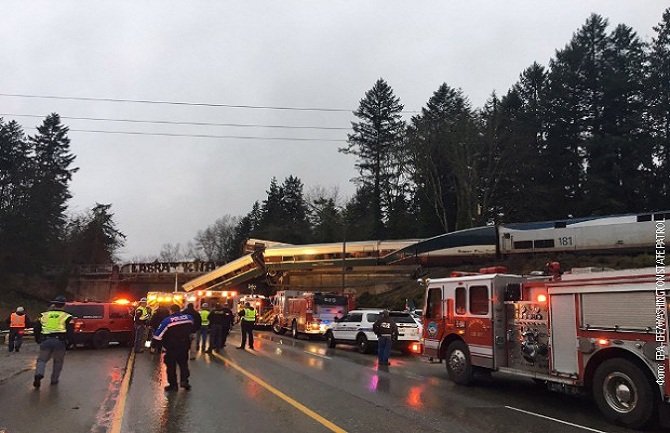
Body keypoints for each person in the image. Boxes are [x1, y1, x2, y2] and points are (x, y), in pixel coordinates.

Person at [32, 296, 74, 388]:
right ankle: (54, 380)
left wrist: (38, 339)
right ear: (64, 305)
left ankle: (38, 374)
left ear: (54, 304)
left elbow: (36, 329)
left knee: (41, 360)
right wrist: (69, 342)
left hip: (45, 340)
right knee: (58, 361)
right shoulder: (67, 316)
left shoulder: (43, 315)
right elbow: (70, 331)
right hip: (60, 341)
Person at [153, 304, 195, 391]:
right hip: (184, 345)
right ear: (179, 310)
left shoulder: (167, 321)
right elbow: (192, 327)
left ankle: (173, 385)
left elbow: (157, 335)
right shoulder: (189, 318)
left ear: (171, 311)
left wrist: (156, 345)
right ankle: (184, 381)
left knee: (171, 366)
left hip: (172, 347)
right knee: (183, 364)